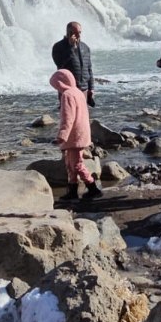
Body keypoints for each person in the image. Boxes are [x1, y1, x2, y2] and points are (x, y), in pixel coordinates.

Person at [50, 69, 102, 201]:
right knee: (70, 164)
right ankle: (72, 191)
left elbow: (68, 118)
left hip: (74, 135)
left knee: (77, 164)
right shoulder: (78, 92)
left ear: (60, 83)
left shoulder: (67, 95)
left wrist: (62, 136)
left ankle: (93, 188)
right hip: (81, 132)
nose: (56, 88)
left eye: (55, 85)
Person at [52, 21, 95, 107]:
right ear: (69, 33)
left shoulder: (85, 47)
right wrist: (71, 48)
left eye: (79, 32)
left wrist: (91, 88)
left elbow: (89, 69)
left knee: (82, 118)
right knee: (68, 116)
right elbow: (60, 64)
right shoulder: (58, 47)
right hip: (67, 89)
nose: (78, 35)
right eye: (75, 33)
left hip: (84, 89)